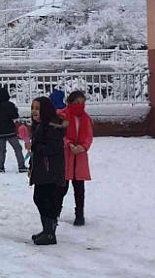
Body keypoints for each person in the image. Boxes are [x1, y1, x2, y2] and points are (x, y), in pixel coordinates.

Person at [26, 96, 67, 245]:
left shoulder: (51, 127)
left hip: (50, 170)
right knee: (40, 199)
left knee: (45, 199)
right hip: (43, 169)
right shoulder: (39, 126)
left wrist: (35, 147)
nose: (34, 111)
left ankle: (50, 233)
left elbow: (52, 149)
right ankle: (47, 230)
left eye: (37, 108)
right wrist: (31, 166)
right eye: (32, 108)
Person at [60, 90, 93, 226]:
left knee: (79, 187)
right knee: (62, 186)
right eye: (77, 102)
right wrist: (68, 143)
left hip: (79, 156)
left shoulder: (86, 118)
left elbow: (88, 137)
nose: (80, 105)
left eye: (82, 102)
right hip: (65, 155)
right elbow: (58, 133)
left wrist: (83, 147)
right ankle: (55, 211)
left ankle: (80, 214)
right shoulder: (61, 116)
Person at [0, 87, 28, 173]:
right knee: (17, 148)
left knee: (2, 149)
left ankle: (0, 167)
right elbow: (15, 116)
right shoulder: (9, 105)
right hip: (9, 130)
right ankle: (21, 166)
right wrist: (15, 110)